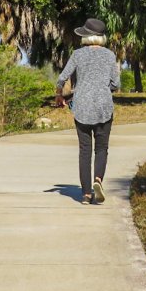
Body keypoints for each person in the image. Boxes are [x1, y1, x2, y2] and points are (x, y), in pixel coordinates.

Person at [55, 17, 120, 205]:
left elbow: (62, 78)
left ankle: (85, 194)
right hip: (103, 107)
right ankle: (97, 180)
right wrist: (104, 87)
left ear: (87, 36)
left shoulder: (77, 55)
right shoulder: (109, 55)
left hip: (82, 106)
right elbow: (116, 84)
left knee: (85, 150)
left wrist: (60, 95)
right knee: (102, 148)